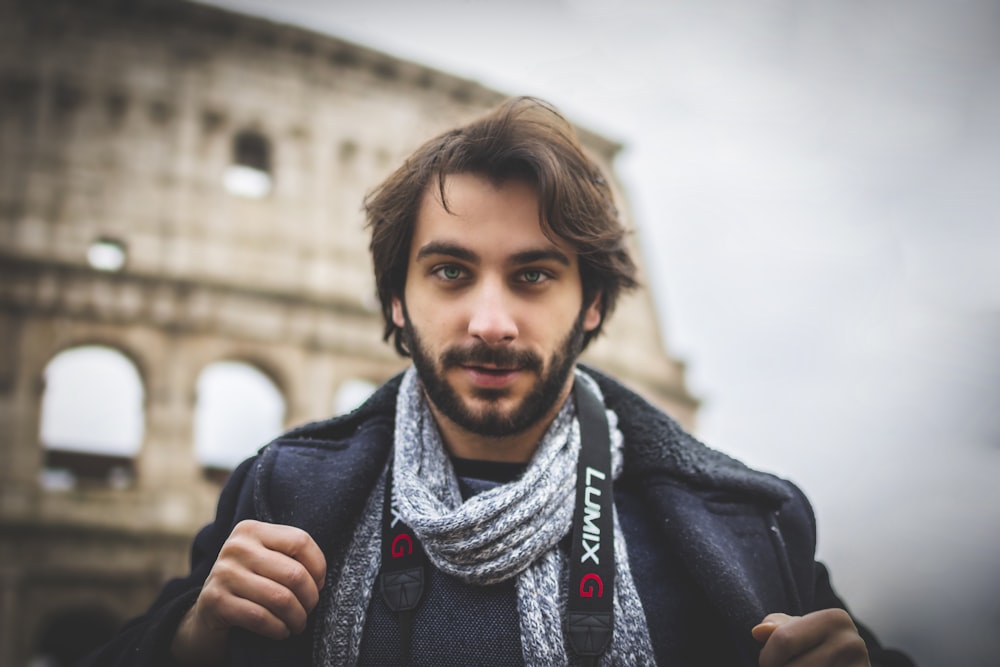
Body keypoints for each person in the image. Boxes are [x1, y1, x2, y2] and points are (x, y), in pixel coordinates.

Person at [80, 97, 913, 667]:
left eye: (533, 275)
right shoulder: (282, 492)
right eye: (449, 271)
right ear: (395, 304)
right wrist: (187, 640)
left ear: (592, 306)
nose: (489, 321)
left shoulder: (749, 524)